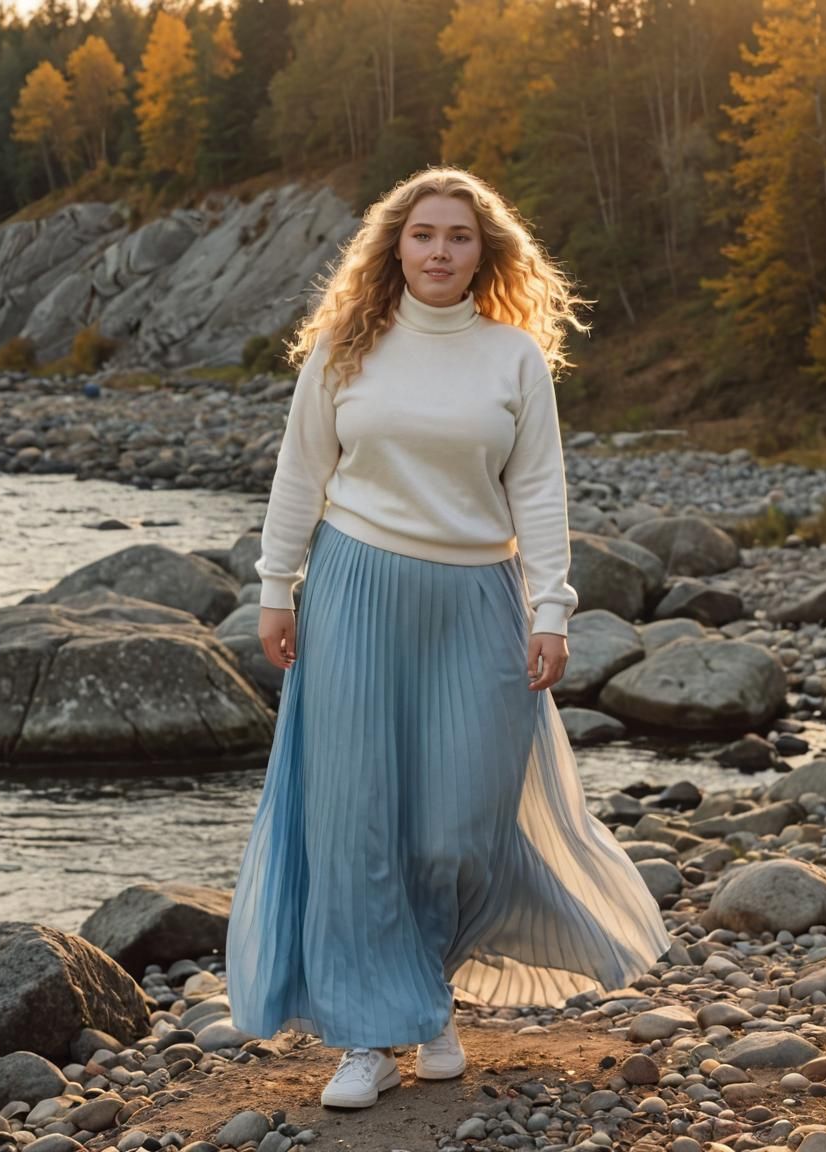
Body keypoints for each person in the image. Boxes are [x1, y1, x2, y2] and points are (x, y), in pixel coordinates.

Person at [225, 165, 672, 1110]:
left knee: (457, 827)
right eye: (423, 234)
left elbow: (540, 488)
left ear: (484, 251)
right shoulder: (348, 348)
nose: (439, 250)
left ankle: (424, 993)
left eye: (458, 236)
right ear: (396, 245)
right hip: (354, 588)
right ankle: (370, 1033)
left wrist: (552, 608)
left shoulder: (511, 357)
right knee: (355, 824)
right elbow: (299, 475)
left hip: (479, 599)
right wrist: (276, 589)